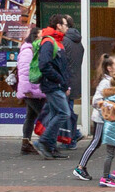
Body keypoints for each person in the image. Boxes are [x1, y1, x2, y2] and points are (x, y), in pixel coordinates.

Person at [73, 55, 115, 183]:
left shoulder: (112, 81)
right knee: (96, 141)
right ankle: (80, 167)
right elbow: (96, 101)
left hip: (107, 119)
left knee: (114, 142)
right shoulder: (105, 83)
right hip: (101, 119)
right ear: (109, 68)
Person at [32, 22, 73, 159]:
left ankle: (51, 147)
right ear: (58, 25)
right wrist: (60, 80)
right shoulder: (49, 41)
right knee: (64, 113)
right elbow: (44, 65)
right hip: (52, 85)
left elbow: (61, 66)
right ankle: (43, 141)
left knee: (55, 113)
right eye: (65, 25)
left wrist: (65, 84)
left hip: (57, 85)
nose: (67, 28)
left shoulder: (57, 41)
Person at [56, 15, 85, 147]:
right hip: (75, 80)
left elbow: (62, 63)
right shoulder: (78, 42)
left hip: (66, 81)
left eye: (62, 24)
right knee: (68, 108)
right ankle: (74, 135)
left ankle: (72, 138)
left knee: (65, 111)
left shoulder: (64, 42)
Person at [15, 35, 47, 156]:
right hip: (32, 92)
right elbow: (24, 72)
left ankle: (26, 143)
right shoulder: (28, 52)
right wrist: (27, 90)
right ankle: (45, 143)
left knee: (31, 116)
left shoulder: (32, 50)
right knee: (44, 116)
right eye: (39, 36)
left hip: (34, 91)